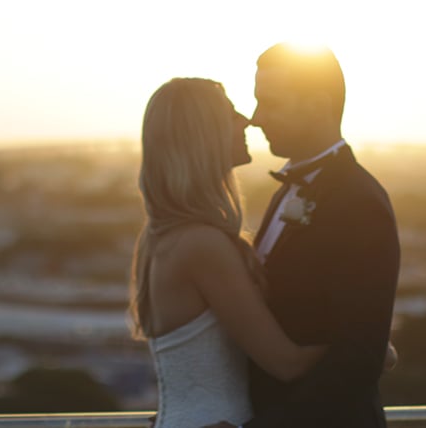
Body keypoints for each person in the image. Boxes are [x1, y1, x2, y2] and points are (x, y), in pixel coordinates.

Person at [135, 78, 326, 428]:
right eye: (230, 114)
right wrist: (370, 350)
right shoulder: (202, 245)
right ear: (203, 135)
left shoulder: (164, 236)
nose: (247, 121)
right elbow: (286, 363)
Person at [237, 43, 400, 428]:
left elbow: (357, 358)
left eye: (270, 102)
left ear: (317, 104)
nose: (256, 118)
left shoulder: (359, 202)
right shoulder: (286, 191)